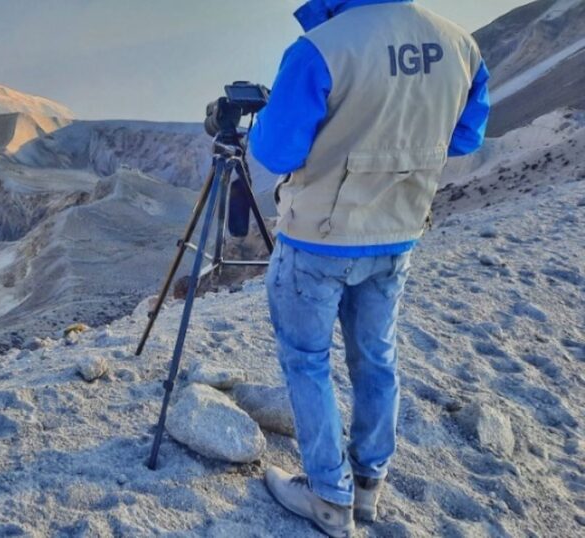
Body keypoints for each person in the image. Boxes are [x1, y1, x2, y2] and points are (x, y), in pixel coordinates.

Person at [248, 1, 490, 536]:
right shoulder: (459, 44)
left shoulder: (322, 48)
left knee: (308, 361)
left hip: (320, 239)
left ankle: (329, 499)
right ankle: (367, 485)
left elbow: (276, 149)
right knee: (377, 358)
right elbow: (466, 137)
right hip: (397, 231)